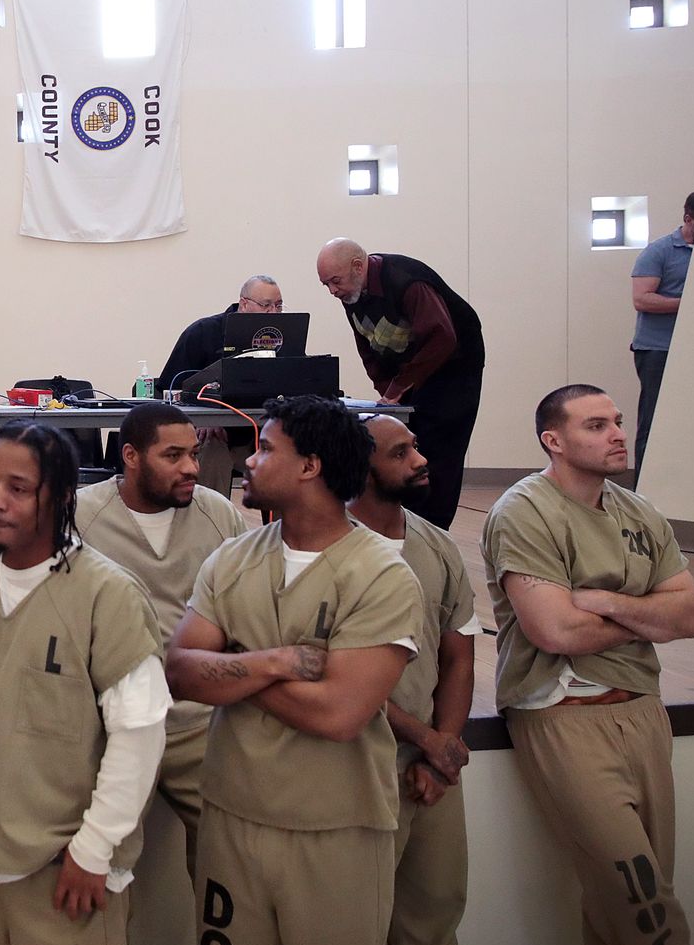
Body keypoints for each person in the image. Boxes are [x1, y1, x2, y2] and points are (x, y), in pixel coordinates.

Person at [165, 394, 420, 945]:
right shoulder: (233, 558)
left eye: (266, 449)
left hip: (335, 828)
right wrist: (275, 662)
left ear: (310, 466)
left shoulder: (381, 574)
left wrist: (232, 664)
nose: (250, 461)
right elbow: (179, 672)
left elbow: (338, 714)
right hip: (231, 817)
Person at [0, 421, 169, 945]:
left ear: (60, 497)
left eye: (18, 488)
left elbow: (140, 736)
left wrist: (94, 849)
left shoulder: (107, 595)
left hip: (66, 872)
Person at [481, 384, 694, 945]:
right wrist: (646, 616)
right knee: (644, 903)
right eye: (597, 425)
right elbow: (556, 631)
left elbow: (689, 616)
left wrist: (605, 602)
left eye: (618, 421)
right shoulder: (524, 511)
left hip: (642, 709)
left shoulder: (639, 511)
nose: (618, 435)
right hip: (566, 716)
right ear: (553, 441)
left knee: (626, 904)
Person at [72, 402, 247, 881]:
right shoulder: (80, 517)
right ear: (131, 456)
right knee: (98, 868)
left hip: (196, 722)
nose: (191, 468)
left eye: (193, 454)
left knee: (229, 863)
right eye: (173, 456)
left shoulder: (218, 514)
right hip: (110, 724)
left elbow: (244, 618)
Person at [348, 414, 477, 945]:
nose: (421, 460)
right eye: (400, 453)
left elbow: (459, 656)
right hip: (357, 764)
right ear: (360, 468)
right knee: (359, 929)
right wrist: (429, 739)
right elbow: (335, 678)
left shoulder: (438, 546)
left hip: (431, 768)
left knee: (435, 917)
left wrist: (441, 750)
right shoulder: (328, 549)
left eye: (416, 447)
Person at [316, 239, 484, 529]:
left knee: (438, 456)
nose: (332, 291)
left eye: (335, 281)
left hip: (453, 372)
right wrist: (387, 390)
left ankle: (431, 533)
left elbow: (442, 338)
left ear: (358, 267)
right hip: (411, 375)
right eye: (326, 284)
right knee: (402, 446)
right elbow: (367, 345)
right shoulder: (352, 293)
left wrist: (398, 388)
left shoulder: (407, 282)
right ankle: (401, 527)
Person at [155, 275, 285, 495]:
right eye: (266, 305)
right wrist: (201, 418)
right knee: (211, 446)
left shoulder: (283, 337)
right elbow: (170, 391)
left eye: (278, 306)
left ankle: (288, 518)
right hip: (213, 437)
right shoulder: (203, 332)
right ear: (244, 303)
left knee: (294, 451)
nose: (273, 313)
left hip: (259, 433)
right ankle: (210, 515)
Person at [628, 190, 694, 476]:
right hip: (658, 350)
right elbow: (641, 299)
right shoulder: (659, 251)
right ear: (688, 218)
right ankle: (644, 488)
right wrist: (690, 303)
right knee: (654, 421)